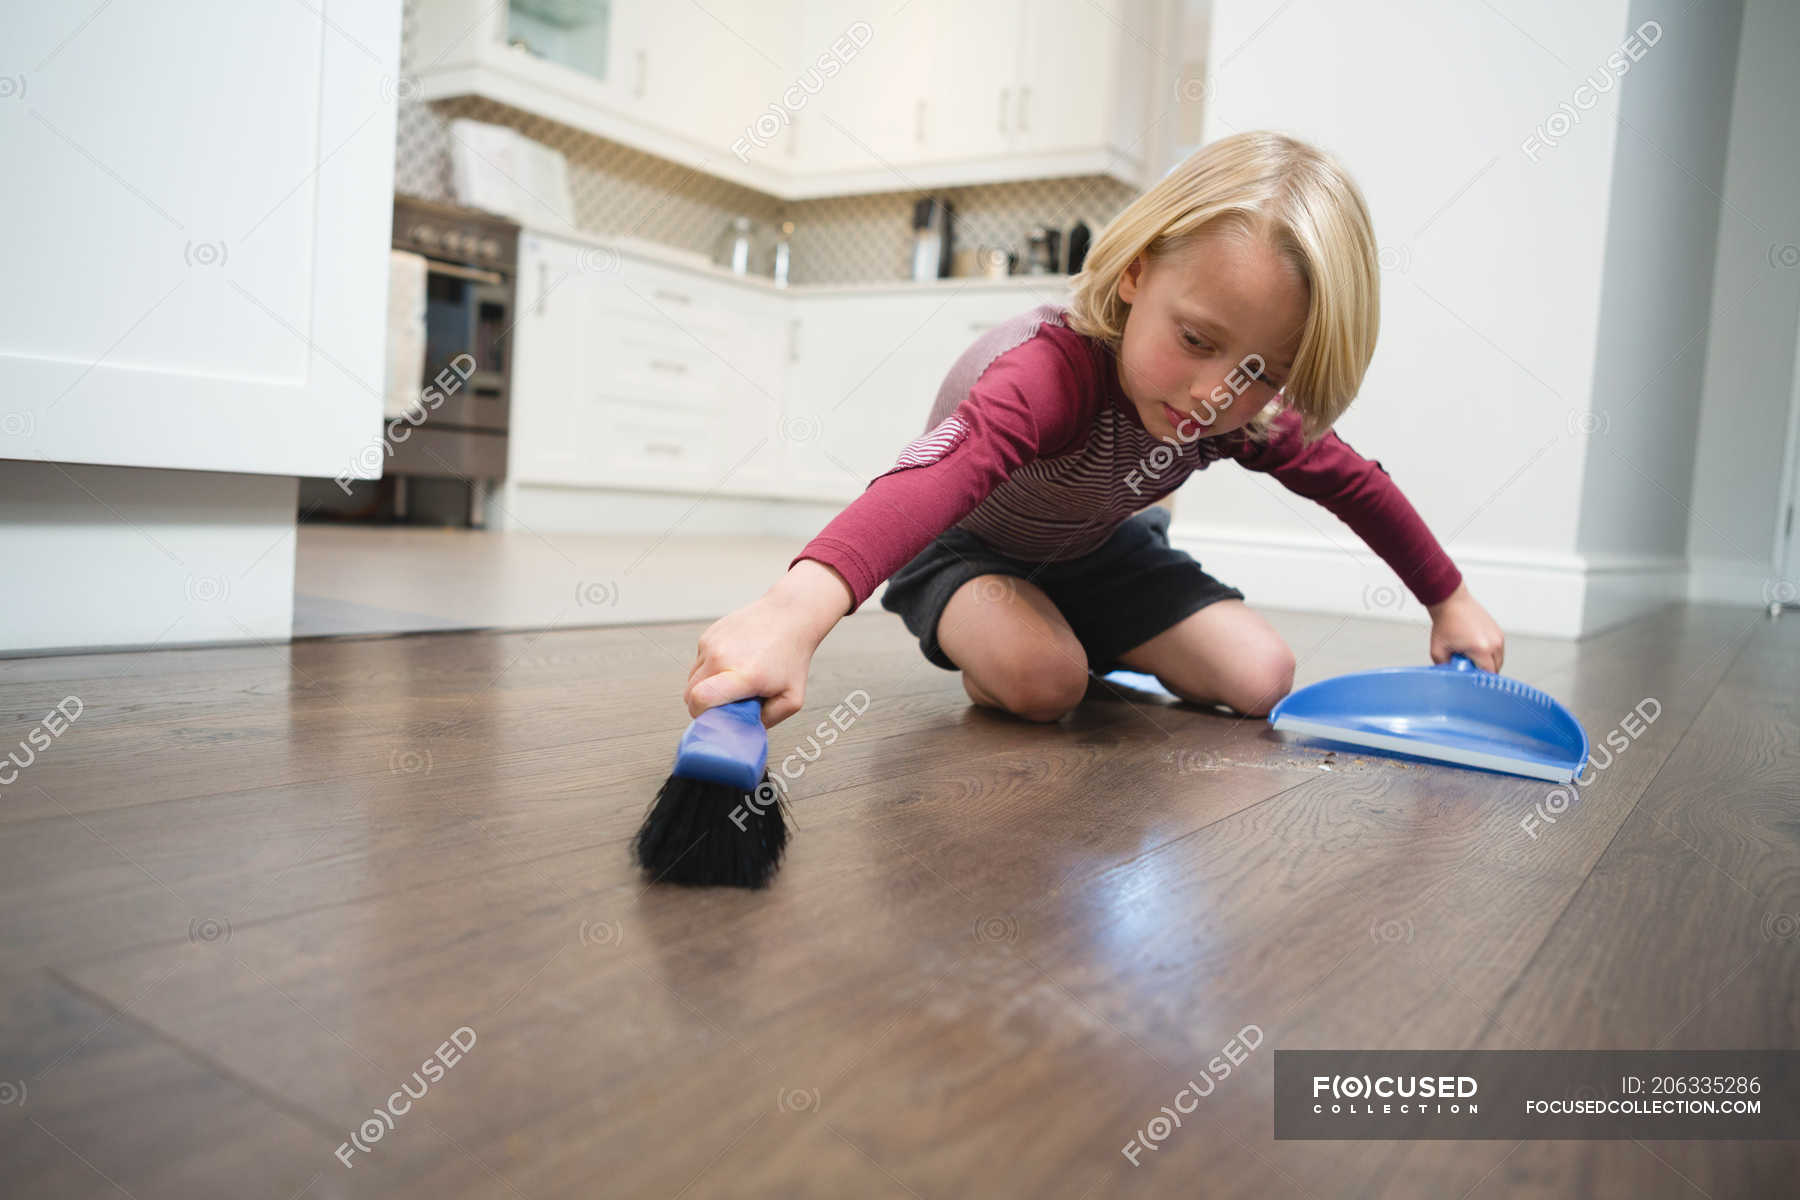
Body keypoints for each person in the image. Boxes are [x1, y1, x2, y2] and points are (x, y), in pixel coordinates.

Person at [684, 130, 1504, 728]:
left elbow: (1355, 483)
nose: (1216, 395)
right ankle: (1027, 644)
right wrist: (792, 613)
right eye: (1195, 341)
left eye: (1264, 372)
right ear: (1137, 272)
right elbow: (931, 478)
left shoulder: (1240, 410)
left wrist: (1451, 600)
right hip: (968, 553)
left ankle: (1070, 628)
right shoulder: (1050, 374)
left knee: (1265, 676)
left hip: (1102, 552)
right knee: (1047, 684)